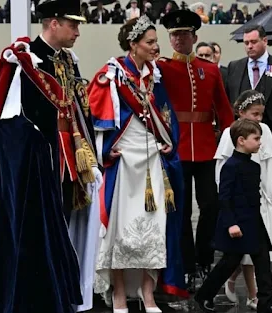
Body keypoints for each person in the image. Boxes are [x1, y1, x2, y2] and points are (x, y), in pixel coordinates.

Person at [88, 15, 186, 313]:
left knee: (153, 228)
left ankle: (148, 293)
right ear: (133, 45)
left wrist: (170, 141)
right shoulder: (112, 74)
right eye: (150, 42)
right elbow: (96, 116)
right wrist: (105, 152)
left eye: (156, 42)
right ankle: (119, 294)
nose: (156, 47)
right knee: (121, 230)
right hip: (124, 162)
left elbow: (166, 114)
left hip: (152, 160)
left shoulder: (156, 76)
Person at [0, 33, 84, 313]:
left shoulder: (58, 65)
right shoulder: (25, 74)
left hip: (46, 165)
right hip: (32, 172)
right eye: (71, 24)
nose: (77, 32)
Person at [24, 0, 102, 311]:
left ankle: (62, 289)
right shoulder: (28, 58)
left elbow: (81, 112)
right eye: (73, 24)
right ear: (53, 23)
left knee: (65, 225)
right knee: (41, 228)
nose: (78, 32)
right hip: (43, 157)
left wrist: (90, 157)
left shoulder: (68, 60)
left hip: (71, 155)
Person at [158, 9, 234, 292]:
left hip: (205, 148)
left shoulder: (210, 69)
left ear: (194, 36)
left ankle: (204, 258)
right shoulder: (161, 68)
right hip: (176, 149)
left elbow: (224, 110)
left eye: (183, 34)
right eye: (174, 35)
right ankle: (188, 266)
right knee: (180, 211)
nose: (179, 40)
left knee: (211, 206)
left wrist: (233, 139)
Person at [195, 119, 272, 313]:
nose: (260, 142)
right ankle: (204, 295)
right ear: (241, 140)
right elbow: (224, 198)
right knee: (229, 262)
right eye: (256, 138)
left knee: (262, 262)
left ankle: (266, 303)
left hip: (253, 222)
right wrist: (231, 224)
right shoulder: (231, 166)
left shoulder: (253, 166)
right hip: (237, 224)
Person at [215, 90, 272, 310]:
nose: (259, 120)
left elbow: (269, 164)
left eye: (261, 115)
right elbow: (222, 169)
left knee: (258, 255)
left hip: (262, 199)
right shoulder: (229, 133)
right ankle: (248, 292)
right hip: (240, 203)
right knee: (239, 253)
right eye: (254, 114)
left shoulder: (266, 132)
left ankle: (258, 296)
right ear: (241, 112)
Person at [226, 25, 272, 188]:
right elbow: (229, 97)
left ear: (265, 41)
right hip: (242, 138)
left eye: (253, 42)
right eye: (246, 43)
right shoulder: (235, 66)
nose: (249, 46)